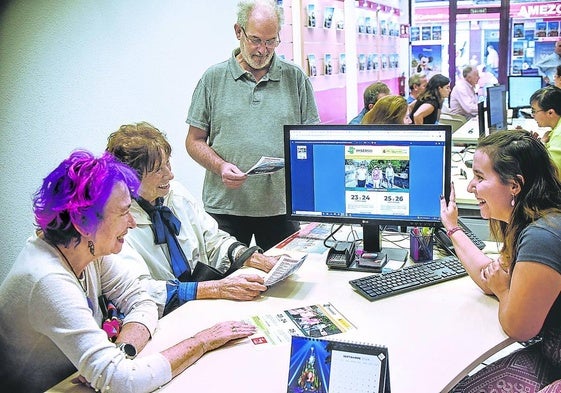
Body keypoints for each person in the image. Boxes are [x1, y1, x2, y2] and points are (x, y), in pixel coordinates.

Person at [0, 150, 257, 393]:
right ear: (83, 221)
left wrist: (123, 351)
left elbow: (141, 299)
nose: (132, 222)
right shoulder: (46, 279)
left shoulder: (84, 249)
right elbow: (123, 382)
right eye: (124, 212)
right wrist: (202, 341)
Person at [186, 0, 319, 251]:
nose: (263, 50)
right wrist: (221, 166)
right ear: (238, 31)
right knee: (227, 281)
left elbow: (311, 138)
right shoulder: (213, 78)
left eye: (271, 41)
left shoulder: (295, 77)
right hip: (226, 208)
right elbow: (193, 141)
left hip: (280, 207)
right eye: (256, 40)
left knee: (284, 280)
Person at [107, 122, 280, 316]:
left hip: (203, 305)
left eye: (168, 164)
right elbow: (139, 290)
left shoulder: (176, 194)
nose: (170, 175)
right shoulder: (119, 223)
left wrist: (254, 258)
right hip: (162, 316)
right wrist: (216, 288)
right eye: (158, 170)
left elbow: (214, 242)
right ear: (131, 179)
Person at [441, 130, 561, 392]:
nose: (471, 186)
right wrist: (452, 228)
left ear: (515, 185)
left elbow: (519, 328)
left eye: (480, 177)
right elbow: (491, 276)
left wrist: (503, 289)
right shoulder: (532, 220)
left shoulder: (542, 237)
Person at [529, 86, 561, 169]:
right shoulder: (555, 130)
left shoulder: (559, 135)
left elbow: (550, 173)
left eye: (534, 111)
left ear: (550, 113)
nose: (533, 115)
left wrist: (540, 145)